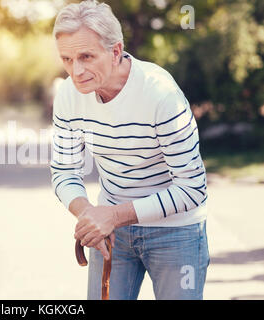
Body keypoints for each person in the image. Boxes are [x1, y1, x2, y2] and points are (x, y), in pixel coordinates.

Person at [50, 0, 210, 300]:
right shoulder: (68, 96)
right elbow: (63, 170)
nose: (77, 71)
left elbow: (193, 189)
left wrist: (114, 215)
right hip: (112, 233)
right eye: (67, 59)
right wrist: (90, 215)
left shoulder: (160, 94)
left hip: (176, 232)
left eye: (86, 56)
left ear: (115, 51)